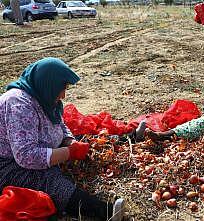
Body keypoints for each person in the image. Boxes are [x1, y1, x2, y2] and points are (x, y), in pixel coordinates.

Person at [0, 57, 125, 221]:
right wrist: (68, 152)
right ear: (48, 83)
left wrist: (69, 141)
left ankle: (129, 136)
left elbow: (59, 124)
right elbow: (26, 156)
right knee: (52, 183)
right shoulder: (18, 104)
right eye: (62, 88)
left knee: (91, 139)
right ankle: (106, 211)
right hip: (9, 164)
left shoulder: (44, 96)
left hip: (43, 147)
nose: (64, 95)